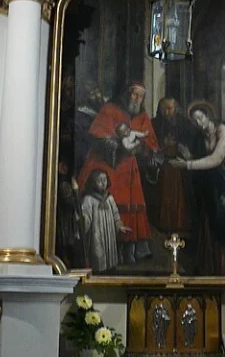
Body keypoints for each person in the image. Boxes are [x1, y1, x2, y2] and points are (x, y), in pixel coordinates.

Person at [77, 81, 159, 264]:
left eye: (141, 96)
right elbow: (98, 136)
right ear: (127, 93)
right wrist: (119, 146)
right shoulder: (110, 109)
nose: (137, 99)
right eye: (134, 94)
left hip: (130, 170)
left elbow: (151, 142)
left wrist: (142, 148)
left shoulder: (143, 116)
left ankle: (131, 252)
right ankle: (108, 251)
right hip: (107, 167)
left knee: (132, 206)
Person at [171, 101, 225, 275]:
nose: (199, 122)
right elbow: (205, 162)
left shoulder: (224, 131)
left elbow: (216, 159)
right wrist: (189, 156)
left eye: (201, 117)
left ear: (208, 116)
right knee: (212, 219)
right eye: (195, 120)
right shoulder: (201, 137)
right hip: (217, 181)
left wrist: (188, 164)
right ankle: (212, 267)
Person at [150, 97, 194, 235]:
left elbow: (191, 145)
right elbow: (151, 144)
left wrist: (179, 146)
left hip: (181, 166)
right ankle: (164, 224)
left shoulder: (186, 124)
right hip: (164, 165)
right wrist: (163, 144)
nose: (167, 112)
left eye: (169, 109)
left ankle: (181, 224)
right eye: (163, 109)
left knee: (180, 196)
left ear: (176, 109)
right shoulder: (155, 124)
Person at [80, 170, 130, 273]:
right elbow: (85, 217)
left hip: (110, 234)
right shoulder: (88, 199)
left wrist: (119, 225)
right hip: (97, 234)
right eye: (99, 180)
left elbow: (115, 214)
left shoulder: (109, 198)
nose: (103, 183)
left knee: (110, 255)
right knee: (98, 252)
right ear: (93, 183)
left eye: (105, 179)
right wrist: (83, 220)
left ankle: (110, 270)